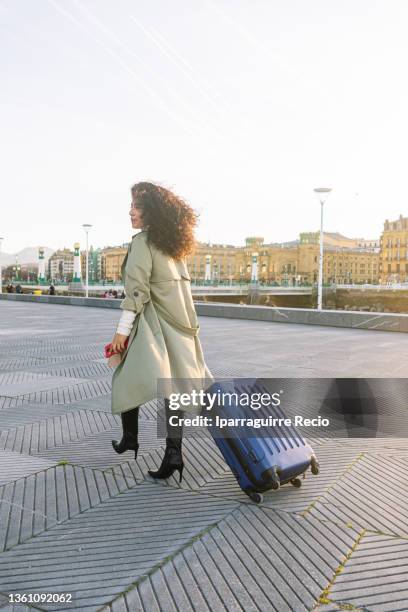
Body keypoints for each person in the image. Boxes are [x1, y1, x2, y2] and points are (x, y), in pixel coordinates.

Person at [110, 181, 213, 482]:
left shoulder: (142, 243)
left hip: (154, 325)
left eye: (136, 207)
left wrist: (121, 332)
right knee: (174, 390)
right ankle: (173, 453)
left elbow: (137, 293)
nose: (130, 211)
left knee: (127, 374)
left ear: (150, 212)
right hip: (181, 326)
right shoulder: (174, 248)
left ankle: (131, 439)